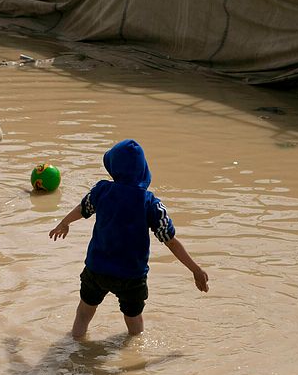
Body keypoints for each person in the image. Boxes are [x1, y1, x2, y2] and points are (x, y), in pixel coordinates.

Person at [48, 139, 209, 339]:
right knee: (134, 323)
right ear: (142, 170)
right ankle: (135, 358)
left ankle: (74, 345)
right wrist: (195, 269)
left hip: (96, 269)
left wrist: (64, 222)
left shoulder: (102, 191)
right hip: (131, 276)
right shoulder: (150, 204)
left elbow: (83, 209)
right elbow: (171, 241)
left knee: (83, 313)